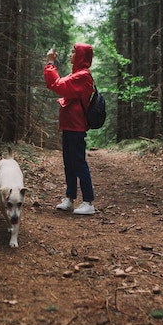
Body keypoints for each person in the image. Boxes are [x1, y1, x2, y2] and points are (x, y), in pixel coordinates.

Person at [44, 43, 96, 215]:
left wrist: (50, 64)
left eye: (74, 52)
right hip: (69, 126)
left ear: (81, 56)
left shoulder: (82, 76)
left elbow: (56, 85)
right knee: (69, 163)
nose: (70, 55)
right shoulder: (77, 74)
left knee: (78, 163)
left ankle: (88, 202)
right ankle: (70, 198)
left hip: (76, 126)